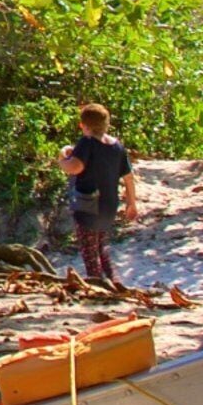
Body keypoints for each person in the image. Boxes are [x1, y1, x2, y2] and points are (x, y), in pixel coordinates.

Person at [64, 102, 138, 283]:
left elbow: (74, 168)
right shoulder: (117, 147)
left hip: (88, 203)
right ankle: (115, 281)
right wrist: (131, 203)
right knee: (101, 247)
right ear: (106, 124)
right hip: (108, 205)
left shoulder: (87, 142)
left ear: (83, 125)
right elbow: (129, 177)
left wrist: (62, 158)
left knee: (89, 251)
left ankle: (97, 285)